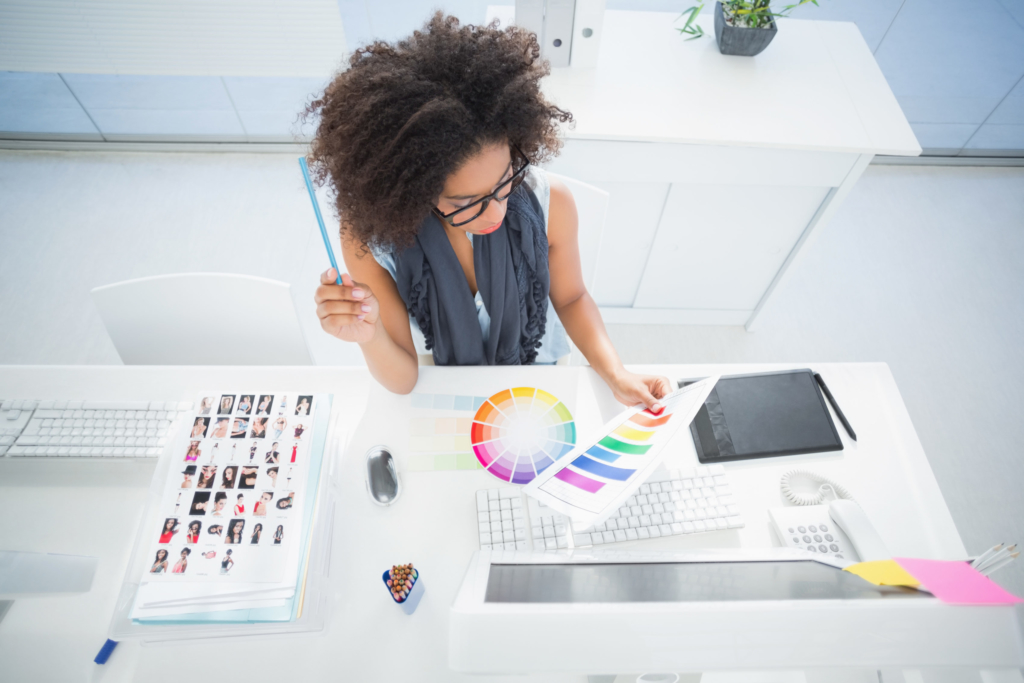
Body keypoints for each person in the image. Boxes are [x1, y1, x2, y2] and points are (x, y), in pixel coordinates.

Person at [307, 14, 670, 410]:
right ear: (412, 192)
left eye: (504, 181)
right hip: (445, 376)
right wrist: (368, 334)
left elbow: (571, 298)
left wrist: (616, 373)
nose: (496, 211)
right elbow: (405, 378)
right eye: (467, 203)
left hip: (538, 368)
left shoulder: (553, 203)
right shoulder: (368, 238)